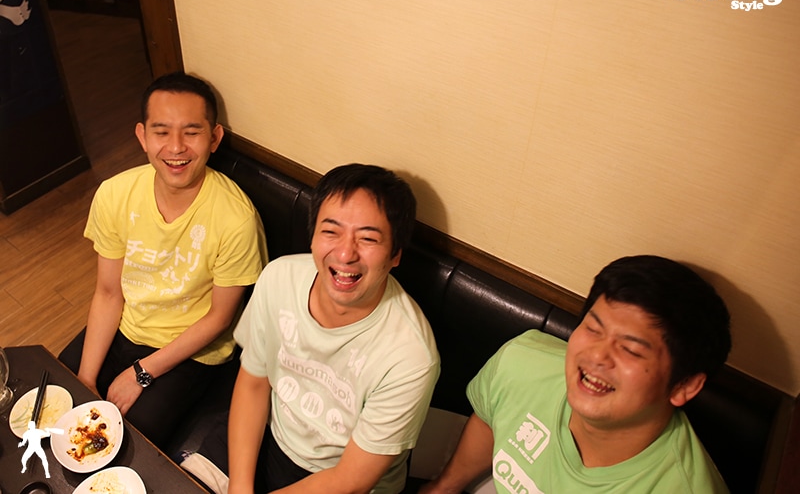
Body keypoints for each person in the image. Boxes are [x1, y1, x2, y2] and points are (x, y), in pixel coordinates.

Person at [59, 72, 268, 448]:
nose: (176, 147)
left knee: (122, 443)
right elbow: (108, 293)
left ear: (214, 138)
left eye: (191, 132)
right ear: (142, 136)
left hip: (192, 350)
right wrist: (85, 378)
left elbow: (220, 318)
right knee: (58, 404)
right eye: (162, 131)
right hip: (127, 326)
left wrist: (141, 373)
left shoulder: (236, 218)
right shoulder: (115, 194)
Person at [420, 255, 732, 494]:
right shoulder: (524, 363)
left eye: (631, 350)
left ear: (684, 385)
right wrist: (443, 488)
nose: (596, 356)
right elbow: (493, 416)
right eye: (593, 329)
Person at [226, 164, 440, 493]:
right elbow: (254, 383)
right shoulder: (279, 278)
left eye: (368, 238)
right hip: (273, 441)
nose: (344, 253)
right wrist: (239, 487)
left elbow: (351, 480)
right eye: (331, 231)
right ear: (313, 237)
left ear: (395, 254)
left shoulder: (411, 355)